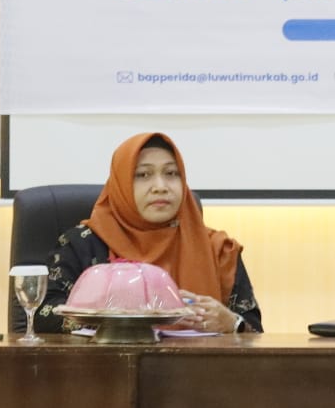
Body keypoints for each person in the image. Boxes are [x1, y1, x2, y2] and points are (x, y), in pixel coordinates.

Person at [36, 132, 262, 333]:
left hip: (197, 366)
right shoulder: (83, 244)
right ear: (121, 185)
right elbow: (44, 315)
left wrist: (232, 323)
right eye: (143, 175)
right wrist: (117, 316)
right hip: (106, 365)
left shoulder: (219, 249)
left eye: (171, 173)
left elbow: (254, 330)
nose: (160, 186)